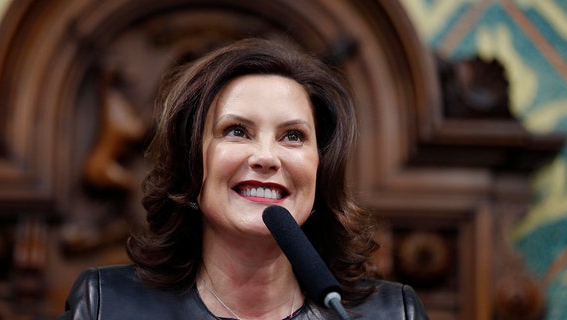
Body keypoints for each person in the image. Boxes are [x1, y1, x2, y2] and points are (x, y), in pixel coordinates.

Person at [58, 38, 429, 320]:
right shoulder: (106, 305)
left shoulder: (393, 312)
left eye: (293, 136)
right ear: (192, 165)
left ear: (321, 168)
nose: (266, 157)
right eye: (237, 131)